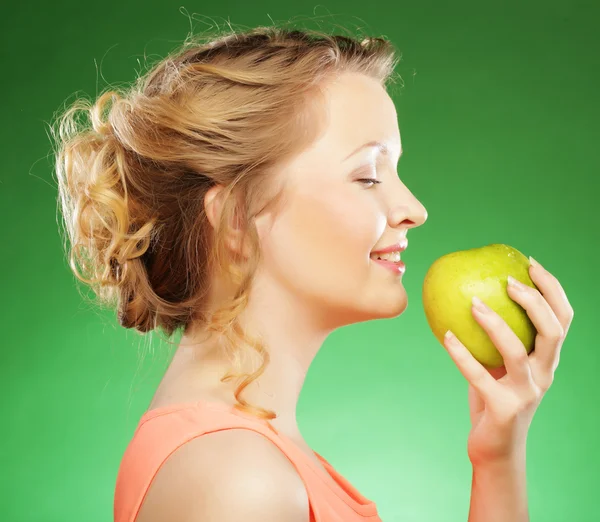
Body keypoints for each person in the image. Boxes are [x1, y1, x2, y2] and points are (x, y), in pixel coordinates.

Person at [51, 23, 573, 522]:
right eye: (368, 175)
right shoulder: (237, 480)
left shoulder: (244, 456)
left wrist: (499, 455)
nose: (413, 207)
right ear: (237, 220)